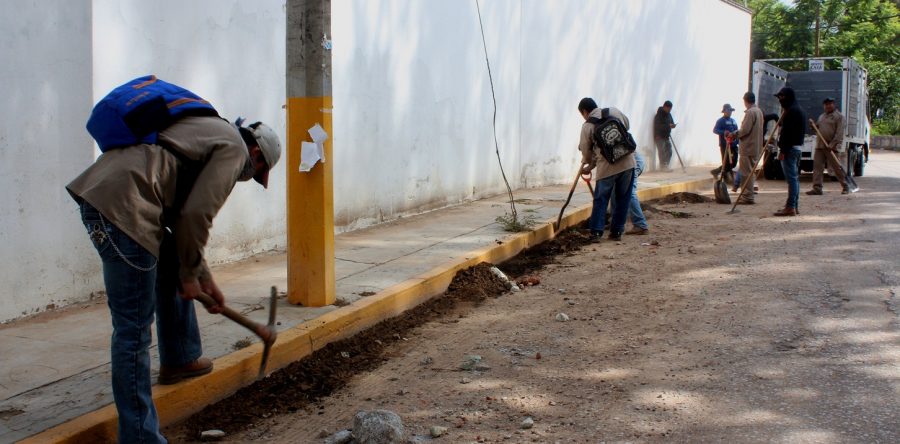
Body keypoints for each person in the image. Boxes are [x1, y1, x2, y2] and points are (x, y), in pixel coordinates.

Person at [67, 80, 281, 443]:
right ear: (256, 154)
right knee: (133, 330)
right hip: (125, 208)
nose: (249, 177)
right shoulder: (234, 149)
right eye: (256, 171)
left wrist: (201, 277)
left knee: (169, 258)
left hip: (111, 195)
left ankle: (181, 358)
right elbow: (197, 214)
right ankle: (139, 437)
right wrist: (190, 275)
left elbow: (181, 220)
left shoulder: (206, 131)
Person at [578, 97, 636, 241]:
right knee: (623, 198)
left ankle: (596, 233)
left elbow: (586, 151)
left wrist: (588, 165)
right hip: (628, 163)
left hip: (606, 168)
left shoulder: (587, 126)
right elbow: (627, 125)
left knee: (601, 199)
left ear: (585, 112)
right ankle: (617, 232)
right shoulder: (613, 111)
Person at [772, 87, 806, 216]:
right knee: (794, 179)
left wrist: (783, 150)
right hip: (796, 148)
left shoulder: (792, 111)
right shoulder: (798, 109)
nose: (780, 100)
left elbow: (788, 134)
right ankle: (794, 206)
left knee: (791, 180)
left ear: (788, 97)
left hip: (790, 149)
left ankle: (790, 206)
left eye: (781, 97)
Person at [807, 97, 850, 195]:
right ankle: (817, 188)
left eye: (830, 104)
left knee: (837, 167)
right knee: (817, 167)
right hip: (820, 146)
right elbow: (817, 128)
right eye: (826, 104)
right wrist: (813, 125)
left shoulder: (839, 117)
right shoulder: (822, 116)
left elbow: (839, 133)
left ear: (834, 104)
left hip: (831, 146)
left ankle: (846, 186)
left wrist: (832, 144)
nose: (828, 106)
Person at [729, 92, 765, 204]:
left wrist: (734, 134)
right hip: (756, 147)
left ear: (745, 101)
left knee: (746, 174)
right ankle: (748, 195)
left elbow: (745, 130)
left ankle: (747, 197)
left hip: (748, 147)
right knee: (750, 172)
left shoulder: (750, 112)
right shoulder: (758, 111)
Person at [611, 152, 650, 235]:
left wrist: (590, 165)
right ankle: (616, 223)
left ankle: (640, 225)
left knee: (629, 192)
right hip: (626, 163)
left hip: (631, 163)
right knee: (614, 192)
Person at [712, 104, 740, 190]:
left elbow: (737, 131)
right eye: (728, 110)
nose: (730, 112)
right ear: (724, 111)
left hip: (734, 144)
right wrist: (724, 132)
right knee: (726, 162)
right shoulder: (720, 121)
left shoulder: (733, 121)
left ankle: (717, 171)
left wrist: (738, 141)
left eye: (731, 110)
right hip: (725, 145)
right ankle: (725, 178)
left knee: (734, 162)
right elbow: (715, 130)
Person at [653, 100, 676, 171]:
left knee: (669, 151)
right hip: (659, 136)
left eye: (670, 109)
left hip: (666, 136)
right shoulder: (658, 115)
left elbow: (672, 122)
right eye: (668, 109)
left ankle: (665, 166)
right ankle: (662, 167)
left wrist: (673, 125)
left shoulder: (669, 114)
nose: (669, 110)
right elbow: (658, 126)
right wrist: (668, 125)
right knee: (662, 152)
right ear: (664, 107)